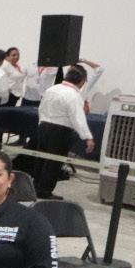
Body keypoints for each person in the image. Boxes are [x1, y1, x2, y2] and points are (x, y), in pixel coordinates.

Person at [33, 64, 94, 199]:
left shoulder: (52, 89)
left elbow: (41, 108)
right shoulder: (74, 95)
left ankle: (35, 187)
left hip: (43, 126)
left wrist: (41, 124)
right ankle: (44, 191)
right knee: (54, 162)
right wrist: (88, 137)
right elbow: (78, 118)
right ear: (81, 81)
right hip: (60, 130)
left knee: (41, 159)